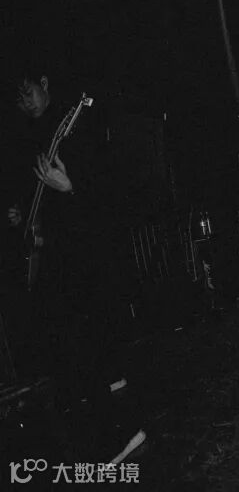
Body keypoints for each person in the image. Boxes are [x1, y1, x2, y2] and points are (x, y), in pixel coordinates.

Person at [4, 63, 146, 463]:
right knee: (70, 348)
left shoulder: (75, 124)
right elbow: (36, 198)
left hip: (86, 255)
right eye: (17, 99)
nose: (25, 102)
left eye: (28, 92)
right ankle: (106, 416)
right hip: (55, 257)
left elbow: (111, 190)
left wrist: (71, 187)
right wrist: (21, 215)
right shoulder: (30, 137)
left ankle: (120, 434)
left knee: (80, 345)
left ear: (44, 84)